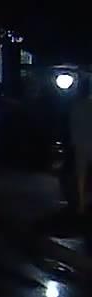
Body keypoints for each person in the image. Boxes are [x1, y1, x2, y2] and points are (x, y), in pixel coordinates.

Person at [71, 77, 92, 215]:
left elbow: (73, 126)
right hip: (86, 142)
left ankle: (82, 202)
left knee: (81, 174)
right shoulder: (84, 106)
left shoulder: (77, 106)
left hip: (80, 144)